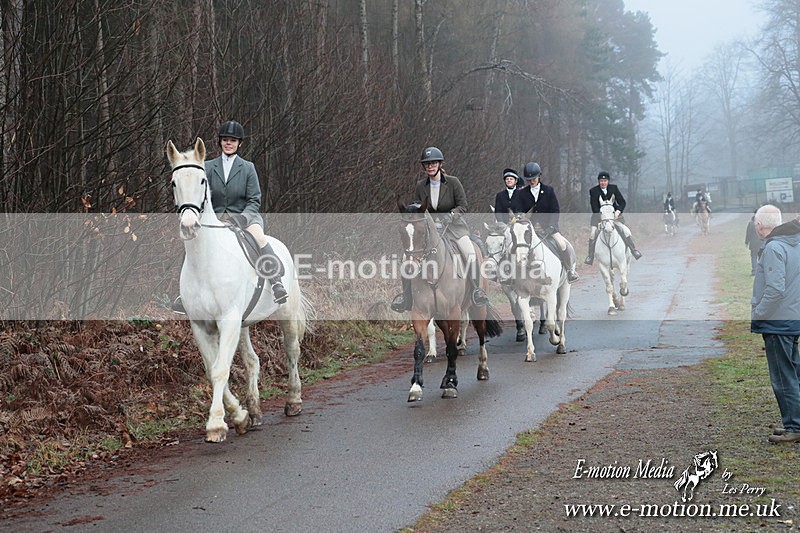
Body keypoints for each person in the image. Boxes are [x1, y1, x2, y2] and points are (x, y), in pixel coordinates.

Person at [173, 120, 287, 314]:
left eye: (232, 140)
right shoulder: (207, 167)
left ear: (239, 143)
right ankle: (184, 296)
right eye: (225, 140)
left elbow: (254, 200)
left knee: (259, 238)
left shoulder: (248, 168)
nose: (228, 143)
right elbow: (198, 194)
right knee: (191, 243)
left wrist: (242, 218)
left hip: (244, 219)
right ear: (220, 142)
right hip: (214, 220)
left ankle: (276, 283)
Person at [391, 146, 489, 312]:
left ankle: (476, 291)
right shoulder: (420, 185)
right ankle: (406, 298)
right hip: (429, 232)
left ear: (440, 164)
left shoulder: (453, 182)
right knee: (405, 259)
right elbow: (418, 208)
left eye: (433, 163)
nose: (430, 166)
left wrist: (451, 215)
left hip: (454, 228)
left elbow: (463, 205)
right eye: (427, 164)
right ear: (424, 167)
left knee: (469, 253)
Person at [750, 204, 800, 443]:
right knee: (793, 372)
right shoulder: (795, 241)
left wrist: (759, 313)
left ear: (759, 226)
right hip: (792, 318)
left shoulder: (773, 247)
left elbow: (775, 290)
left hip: (778, 322)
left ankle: (794, 427)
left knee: (782, 377)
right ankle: (795, 422)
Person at [510, 162, 579, 283]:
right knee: (515, 247)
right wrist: (520, 216)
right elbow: (518, 209)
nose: (532, 181)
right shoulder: (522, 193)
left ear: (539, 176)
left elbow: (555, 210)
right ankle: (512, 275)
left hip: (548, 228)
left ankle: (569, 271)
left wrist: (552, 226)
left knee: (562, 244)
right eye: (529, 179)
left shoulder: (548, 191)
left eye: (534, 178)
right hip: (529, 229)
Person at [584, 171, 642, 265]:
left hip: (614, 217)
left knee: (625, 230)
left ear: (608, 181)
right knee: (592, 234)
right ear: (599, 181)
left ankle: (633, 250)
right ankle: (590, 256)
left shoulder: (614, 188)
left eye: (605, 181)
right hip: (599, 217)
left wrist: (618, 211)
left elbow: (622, 202)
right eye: (601, 181)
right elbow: (594, 207)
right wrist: (601, 217)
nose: (603, 183)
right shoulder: (593, 191)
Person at [745, 210, 760, 276]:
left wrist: (747, 242)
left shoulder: (751, 223)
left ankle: (754, 271)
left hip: (753, 244)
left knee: (754, 257)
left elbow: (748, 233)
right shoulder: (763, 223)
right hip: (762, 243)